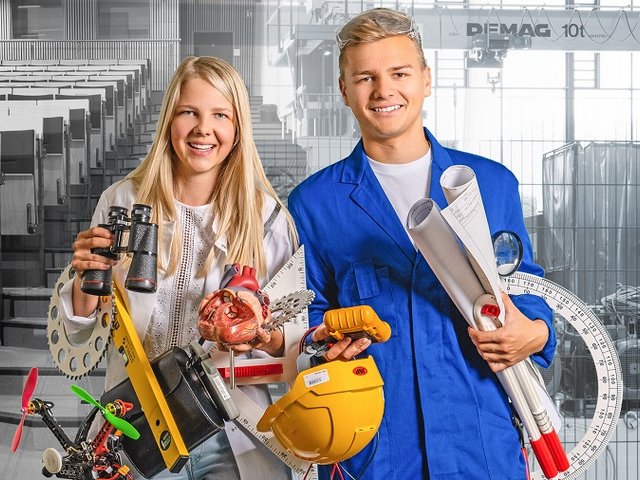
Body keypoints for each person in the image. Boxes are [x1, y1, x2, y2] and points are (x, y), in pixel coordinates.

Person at [288, 8, 556, 480]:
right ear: (344, 90)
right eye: (365, 77)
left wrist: (536, 333)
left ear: (426, 80)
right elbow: (306, 314)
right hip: (375, 451)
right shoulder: (314, 203)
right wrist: (322, 339)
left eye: (399, 73)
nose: (383, 90)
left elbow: (528, 289)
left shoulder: (490, 185)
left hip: (482, 445)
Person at [58, 56, 296, 479]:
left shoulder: (267, 219)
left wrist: (255, 333)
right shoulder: (122, 202)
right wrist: (84, 275)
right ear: (170, 120)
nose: (204, 129)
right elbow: (80, 330)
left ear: (238, 127)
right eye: (189, 112)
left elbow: (290, 347)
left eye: (220, 115)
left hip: (230, 426)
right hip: (135, 423)